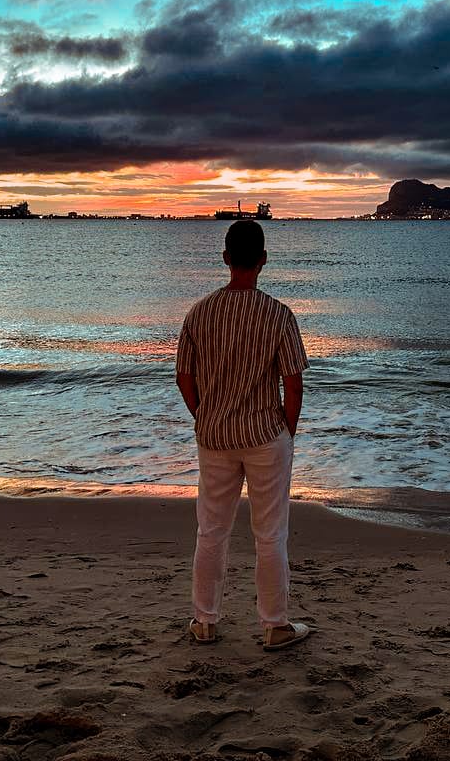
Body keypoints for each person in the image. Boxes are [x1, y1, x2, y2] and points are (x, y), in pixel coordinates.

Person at [175, 219, 312, 652]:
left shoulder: (200, 312)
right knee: (270, 533)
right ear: (264, 261)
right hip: (265, 435)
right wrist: (287, 431)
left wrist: (205, 415)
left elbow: (184, 377)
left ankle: (204, 621)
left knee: (211, 530)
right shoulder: (278, 314)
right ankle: (274, 626)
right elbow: (293, 383)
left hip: (214, 435)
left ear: (226, 258)